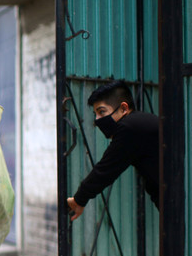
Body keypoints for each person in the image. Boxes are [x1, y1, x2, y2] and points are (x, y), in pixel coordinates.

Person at [66, 80, 158, 221]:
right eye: (95, 114)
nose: (97, 120)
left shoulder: (129, 128)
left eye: (102, 112)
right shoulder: (139, 123)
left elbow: (105, 170)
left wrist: (78, 199)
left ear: (123, 109)